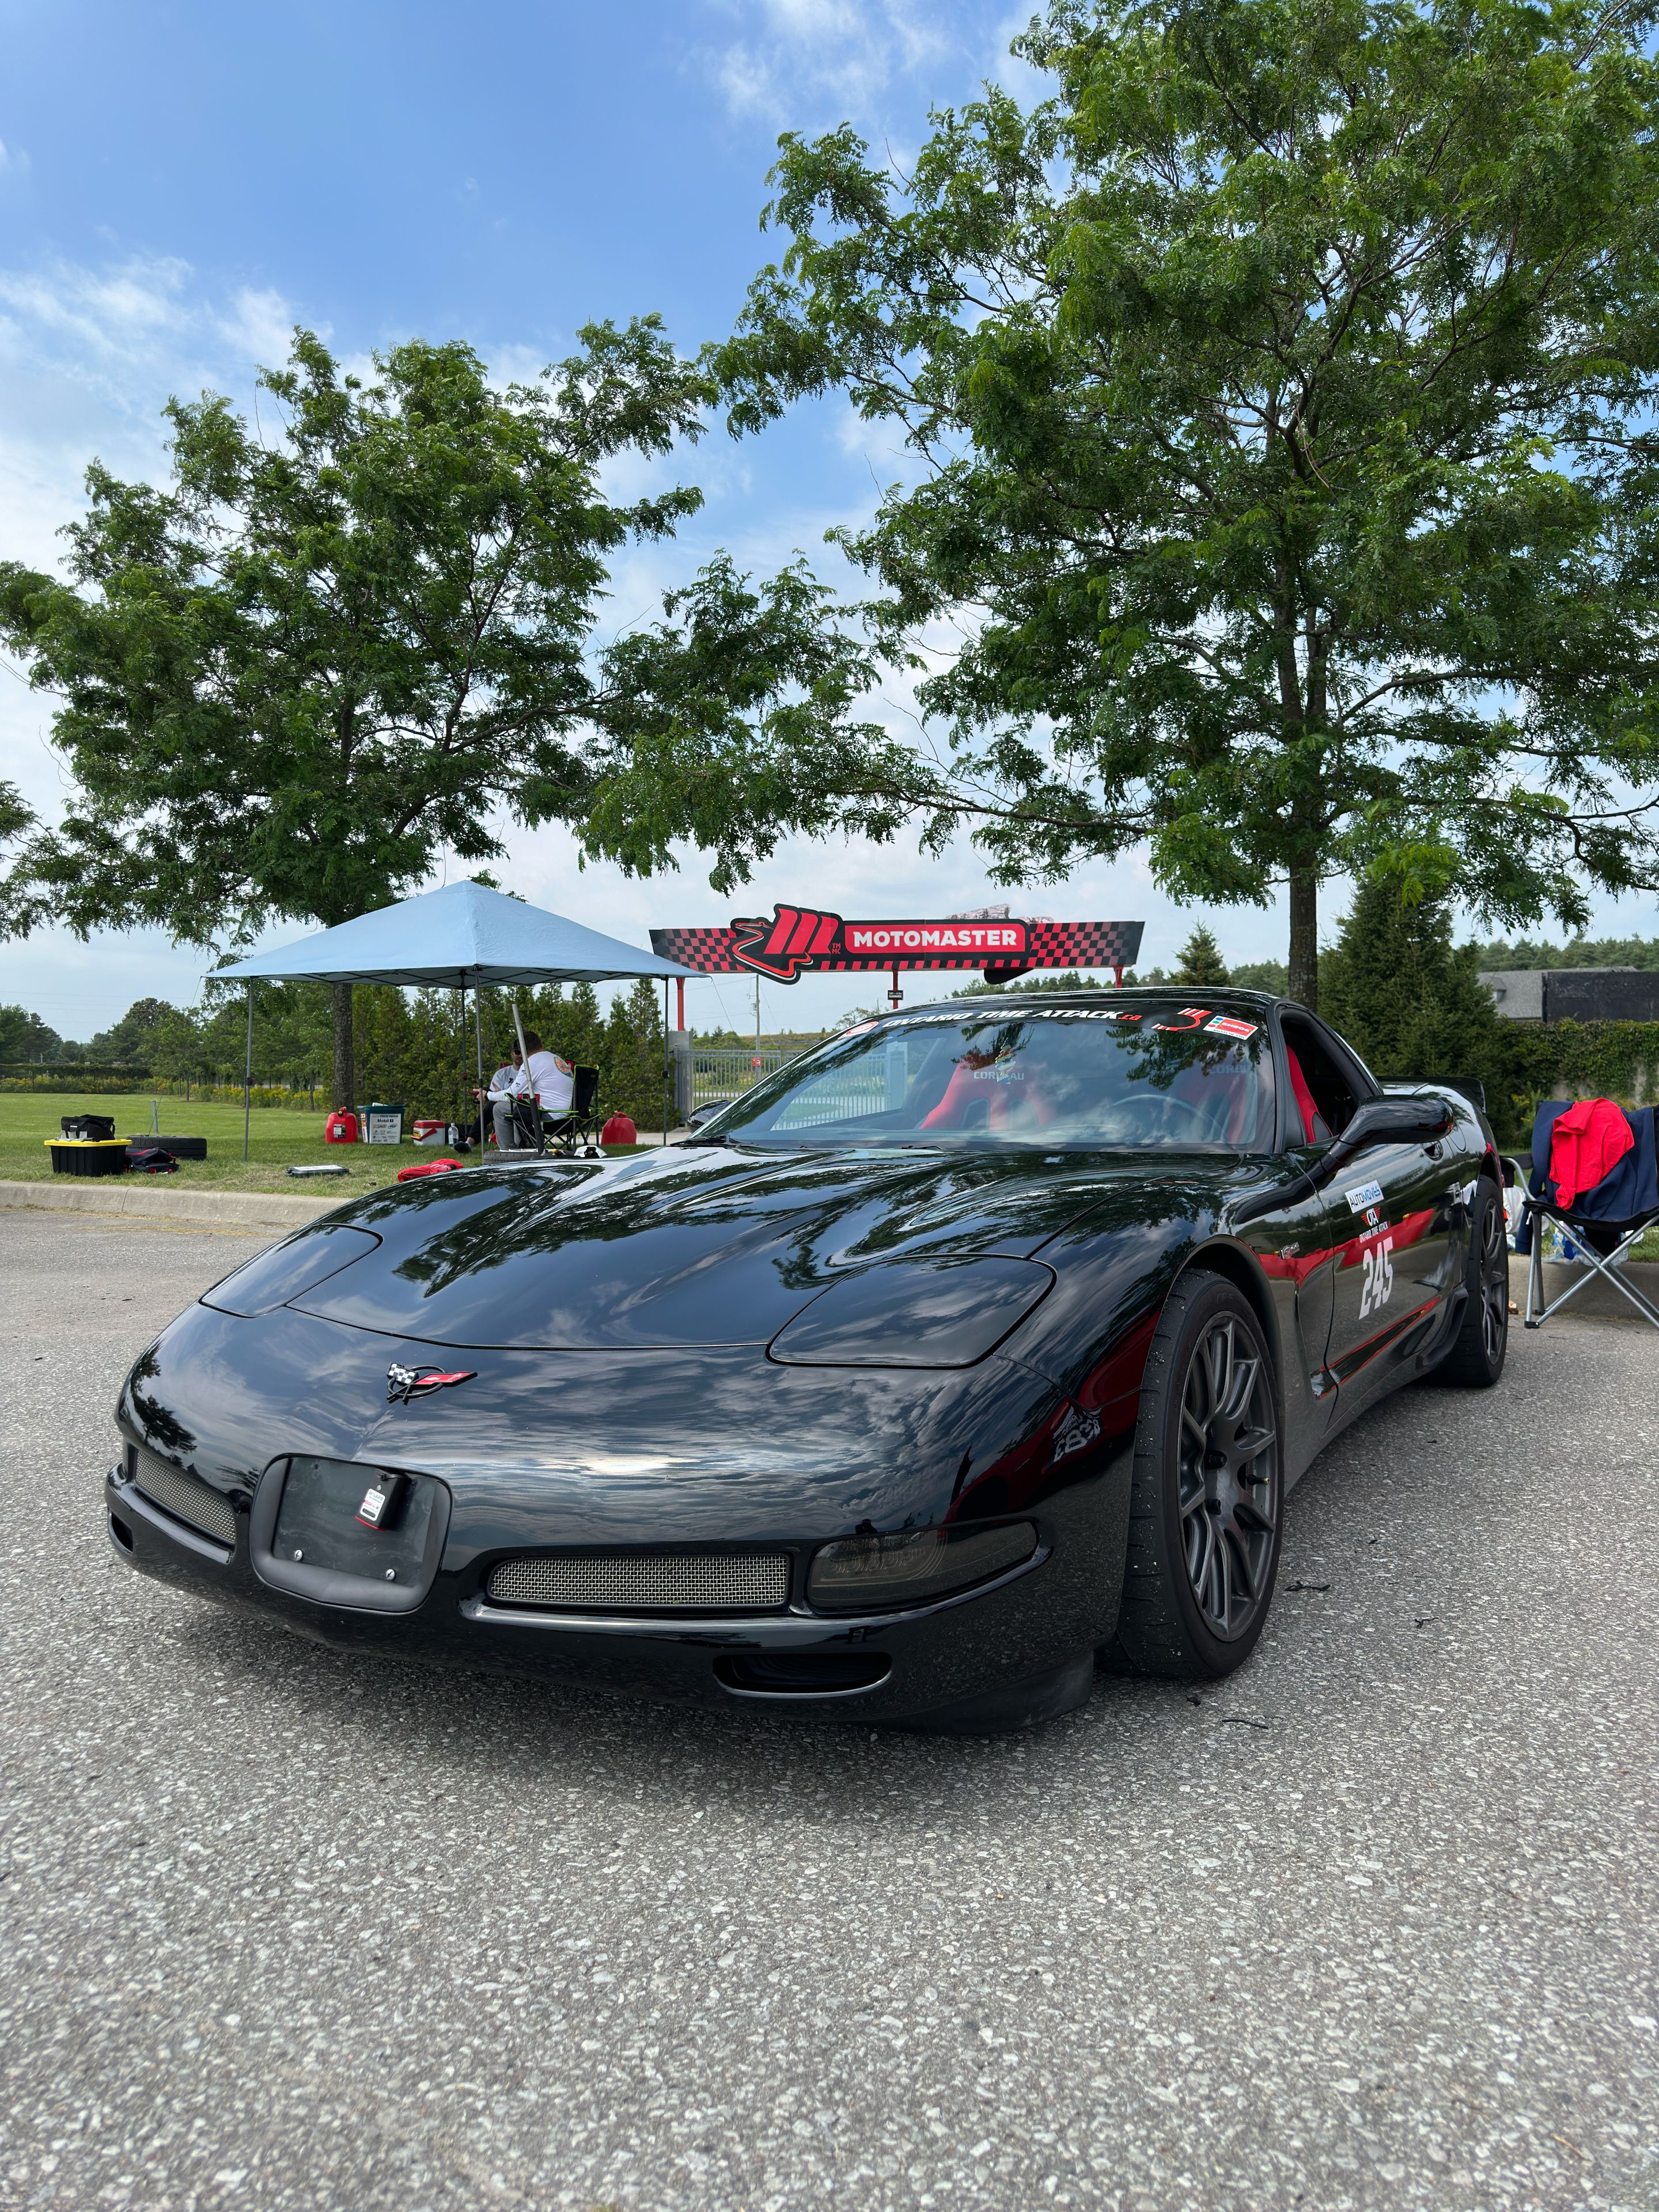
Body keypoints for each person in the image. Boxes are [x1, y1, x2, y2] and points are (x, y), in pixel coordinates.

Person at [481, 1032, 574, 1150]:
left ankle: (508, 1153)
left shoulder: (531, 1063)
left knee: (500, 1108)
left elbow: (511, 1095)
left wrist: (488, 1095)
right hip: (573, 1117)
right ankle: (525, 1145)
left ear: (522, 1049)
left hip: (554, 1119)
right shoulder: (556, 1058)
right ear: (541, 1044)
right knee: (518, 1107)